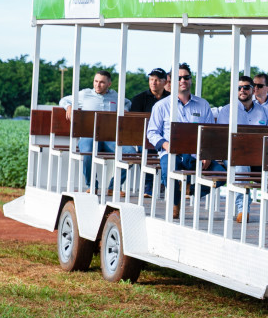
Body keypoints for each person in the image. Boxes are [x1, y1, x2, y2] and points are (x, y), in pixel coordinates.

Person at [146, 63, 221, 218]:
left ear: (190, 80)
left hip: (196, 155)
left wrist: (208, 154)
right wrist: (166, 145)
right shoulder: (161, 106)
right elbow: (152, 132)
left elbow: (210, 134)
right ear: (170, 82)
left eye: (186, 77)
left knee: (222, 175)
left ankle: (188, 190)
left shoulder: (203, 104)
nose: (182, 80)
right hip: (172, 153)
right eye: (178, 78)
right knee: (168, 171)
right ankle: (175, 204)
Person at [213, 76, 268, 223]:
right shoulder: (227, 111)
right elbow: (222, 139)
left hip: (259, 157)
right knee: (241, 165)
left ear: (253, 90)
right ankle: (243, 209)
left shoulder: (263, 111)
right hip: (234, 156)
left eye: (246, 87)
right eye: (239, 88)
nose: (242, 90)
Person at [59, 70, 130, 191]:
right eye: (96, 81)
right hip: (88, 136)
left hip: (110, 138)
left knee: (130, 153)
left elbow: (128, 103)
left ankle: (114, 187)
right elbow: (64, 100)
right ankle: (91, 185)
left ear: (109, 84)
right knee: (87, 152)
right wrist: (69, 107)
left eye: (102, 82)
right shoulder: (84, 94)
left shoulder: (115, 96)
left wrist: (124, 109)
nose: (97, 85)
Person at [129, 67, 169, 197]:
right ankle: (148, 186)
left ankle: (166, 182)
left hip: (166, 138)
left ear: (165, 82)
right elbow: (134, 124)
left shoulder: (171, 99)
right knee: (144, 148)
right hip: (145, 138)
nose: (153, 82)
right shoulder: (138, 99)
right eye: (151, 79)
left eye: (157, 80)